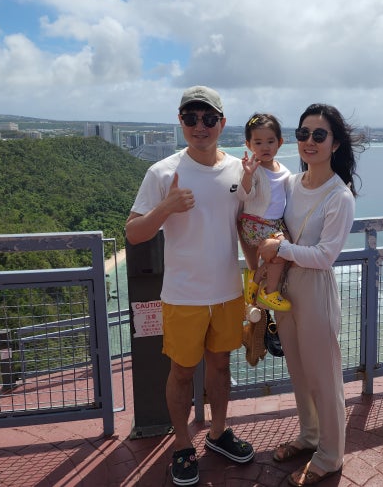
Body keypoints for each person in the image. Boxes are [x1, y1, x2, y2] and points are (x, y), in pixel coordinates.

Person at [125, 85, 254, 486]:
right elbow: (134, 233)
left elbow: (245, 226)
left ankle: (217, 432)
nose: (201, 126)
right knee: (181, 372)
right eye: (191, 117)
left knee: (221, 365)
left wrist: (258, 276)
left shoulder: (237, 170)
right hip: (183, 295)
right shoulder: (162, 172)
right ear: (180, 121)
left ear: (222, 123)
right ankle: (182, 445)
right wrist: (167, 207)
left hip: (228, 291)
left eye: (209, 118)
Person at [256, 103, 366, 486]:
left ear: (335, 143)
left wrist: (280, 249)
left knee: (324, 376)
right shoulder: (291, 183)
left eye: (319, 135)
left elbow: (324, 256)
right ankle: (309, 435)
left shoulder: (340, 196)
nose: (310, 141)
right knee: (299, 371)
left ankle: (331, 455)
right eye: (303, 134)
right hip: (285, 286)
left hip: (314, 287)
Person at [237, 113, 293, 314]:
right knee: (281, 250)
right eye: (258, 142)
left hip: (274, 225)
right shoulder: (253, 169)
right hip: (255, 224)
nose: (265, 147)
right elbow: (244, 195)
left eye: (270, 141)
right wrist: (247, 175)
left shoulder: (284, 171)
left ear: (280, 142)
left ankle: (254, 277)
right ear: (249, 144)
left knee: (288, 249)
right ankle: (269, 292)